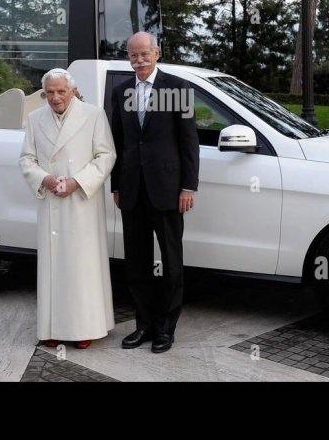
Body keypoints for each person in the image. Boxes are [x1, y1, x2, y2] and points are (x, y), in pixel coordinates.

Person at [110, 31, 200, 353]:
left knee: (171, 261)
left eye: (144, 54)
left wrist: (188, 186)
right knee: (136, 262)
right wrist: (116, 185)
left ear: (156, 53)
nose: (139, 60)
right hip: (132, 191)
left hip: (168, 190)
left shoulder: (177, 89)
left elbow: (189, 142)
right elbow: (117, 143)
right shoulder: (120, 92)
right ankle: (144, 325)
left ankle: (166, 328)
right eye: (133, 55)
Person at [20, 68, 116, 349]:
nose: (55, 97)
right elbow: (26, 159)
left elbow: (106, 155)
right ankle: (52, 327)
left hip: (81, 201)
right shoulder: (35, 118)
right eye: (50, 92)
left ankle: (85, 327)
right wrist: (45, 179)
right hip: (51, 200)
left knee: (81, 268)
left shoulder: (93, 114)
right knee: (53, 268)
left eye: (61, 91)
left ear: (72, 91)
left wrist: (78, 181)